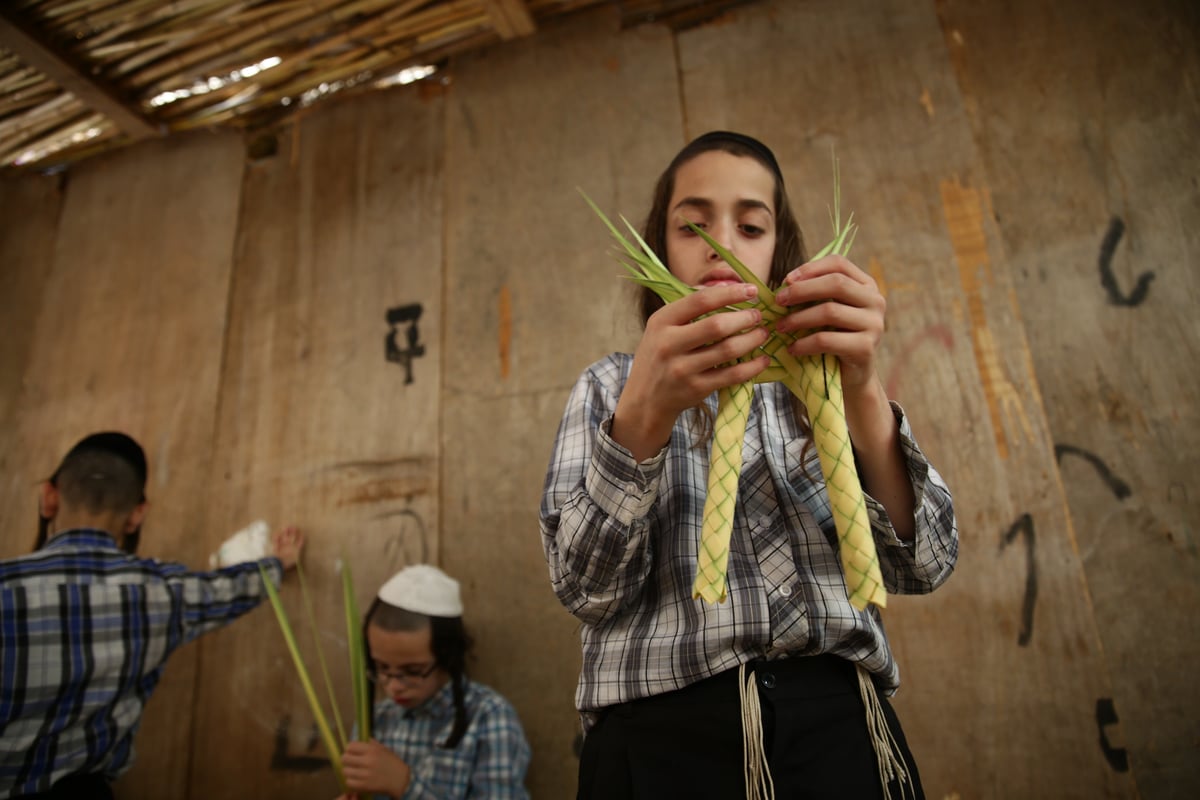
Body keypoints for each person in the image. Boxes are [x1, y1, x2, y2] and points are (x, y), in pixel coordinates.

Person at [539, 131, 958, 799]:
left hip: (845, 733)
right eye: (692, 225)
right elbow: (585, 589)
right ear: (660, 245)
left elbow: (925, 563)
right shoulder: (612, 384)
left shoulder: (823, 387)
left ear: (780, 246)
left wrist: (863, 389)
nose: (722, 244)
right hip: (658, 744)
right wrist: (645, 414)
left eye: (751, 224)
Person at [0, 431, 304, 799]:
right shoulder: (161, 591)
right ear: (136, 514)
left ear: (49, 496)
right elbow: (227, 590)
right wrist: (277, 564)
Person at [336, 564, 531, 800]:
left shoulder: (488, 717)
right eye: (382, 668)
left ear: (447, 658)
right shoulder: (375, 720)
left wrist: (404, 784)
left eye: (413, 670)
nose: (394, 686)